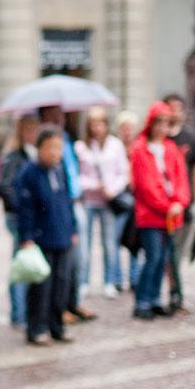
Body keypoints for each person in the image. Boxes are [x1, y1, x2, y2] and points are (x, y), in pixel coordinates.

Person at [16, 127, 79, 345]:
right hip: (40, 238)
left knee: (61, 284)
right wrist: (26, 236)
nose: (55, 153)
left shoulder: (60, 169)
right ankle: (36, 328)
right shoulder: (29, 172)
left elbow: (67, 201)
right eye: (51, 147)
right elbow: (24, 208)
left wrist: (73, 229)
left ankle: (57, 326)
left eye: (59, 148)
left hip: (62, 235)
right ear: (39, 147)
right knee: (41, 286)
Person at [128, 101, 191, 320]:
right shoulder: (140, 150)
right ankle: (142, 301)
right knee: (152, 257)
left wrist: (179, 203)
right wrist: (167, 206)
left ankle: (154, 299)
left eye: (166, 123)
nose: (162, 128)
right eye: (159, 123)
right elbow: (146, 186)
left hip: (171, 215)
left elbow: (182, 179)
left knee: (163, 258)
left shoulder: (171, 149)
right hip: (151, 215)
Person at [37, 103, 96, 323]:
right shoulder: (43, 155)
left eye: (60, 116)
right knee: (55, 269)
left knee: (77, 259)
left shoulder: (67, 141)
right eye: (53, 116)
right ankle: (55, 312)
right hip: (56, 213)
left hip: (74, 202)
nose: (58, 120)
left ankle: (72, 302)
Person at [75, 107, 128, 299]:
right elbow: (77, 177)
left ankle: (109, 281)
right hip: (89, 200)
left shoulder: (115, 145)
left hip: (109, 201)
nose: (97, 128)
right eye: (93, 124)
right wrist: (92, 185)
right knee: (85, 244)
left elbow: (123, 172)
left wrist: (112, 189)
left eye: (100, 123)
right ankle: (84, 281)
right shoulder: (82, 147)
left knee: (109, 242)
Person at [0, 114, 39, 325]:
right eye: (29, 130)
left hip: (31, 216)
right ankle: (18, 313)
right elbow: (5, 186)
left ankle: (27, 311)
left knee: (31, 262)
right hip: (17, 217)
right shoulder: (13, 156)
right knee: (21, 262)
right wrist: (22, 206)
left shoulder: (34, 154)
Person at [162, 93, 195, 309]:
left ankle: (175, 289)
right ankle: (175, 292)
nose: (175, 112)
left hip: (184, 202)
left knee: (178, 251)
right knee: (171, 251)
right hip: (164, 204)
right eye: (171, 107)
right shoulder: (160, 138)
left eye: (179, 108)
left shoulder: (189, 138)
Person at [114, 109, 142, 292]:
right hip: (119, 198)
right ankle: (116, 278)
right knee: (115, 239)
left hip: (136, 198)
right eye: (124, 127)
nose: (127, 131)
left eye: (130, 127)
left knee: (134, 241)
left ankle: (134, 277)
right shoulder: (114, 147)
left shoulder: (139, 146)